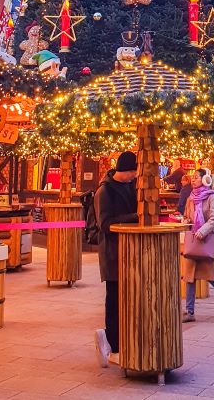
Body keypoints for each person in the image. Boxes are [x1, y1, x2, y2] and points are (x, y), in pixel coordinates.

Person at [93, 150, 138, 367]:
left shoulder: (131, 187)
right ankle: (113, 344)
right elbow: (104, 224)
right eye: (132, 172)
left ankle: (121, 342)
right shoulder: (104, 191)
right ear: (125, 170)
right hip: (112, 253)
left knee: (125, 298)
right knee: (114, 298)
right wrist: (134, 218)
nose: (134, 176)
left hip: (129, 252)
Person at [181, 169, 214, 322]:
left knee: (213, 277)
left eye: (196, 177)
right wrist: (185, 221)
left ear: (205, 179)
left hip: (207, 240)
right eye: (192, 177)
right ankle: (190, 311)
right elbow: (186, 215)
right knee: (189, 277)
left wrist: (202, 231)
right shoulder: (191, 197)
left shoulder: (212, 197)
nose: (193, 180)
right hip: (193, 241)